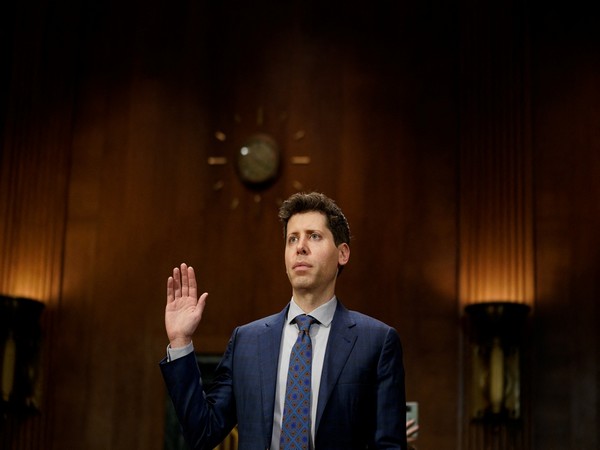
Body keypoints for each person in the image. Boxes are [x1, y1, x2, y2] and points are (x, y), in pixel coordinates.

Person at [160, 191, 408, 449]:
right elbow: (203, 432)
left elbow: (389, 445)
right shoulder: (247, 341)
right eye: (292, 239)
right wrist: (180, 342)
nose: (300, 246)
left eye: (314, 236)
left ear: (342, 253)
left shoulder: (376, 342)